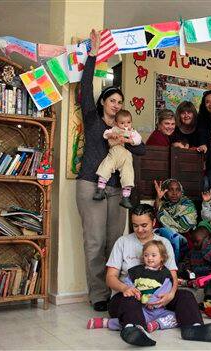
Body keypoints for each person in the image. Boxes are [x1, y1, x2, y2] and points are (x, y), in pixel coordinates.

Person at [77, 29, 146, 312]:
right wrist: (92, 55)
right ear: (104, 102)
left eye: (120, 102)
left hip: (118, 190)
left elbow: (140, 150)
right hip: (90, 184)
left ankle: (115, 289)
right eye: (112, 100)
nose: (116, 104)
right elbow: (84, 88)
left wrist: (130, 138)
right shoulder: (93, 120)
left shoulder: (124, 129)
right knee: (94, 242)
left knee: (115, 242)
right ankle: (98, 295)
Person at [105, 204, 211, 346]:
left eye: (144, 225)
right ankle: (135, 330)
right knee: (130, 299)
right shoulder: (122, 242)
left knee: (186, 295)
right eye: (135, 225)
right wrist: (125, 289)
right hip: (128, 299)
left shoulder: (164, 243)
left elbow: (172, 275)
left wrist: (171, 294)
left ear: (153, 222)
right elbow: (110, 277)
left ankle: (193, 328)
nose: (139, 230)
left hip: (158, 299)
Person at [87, 240, 178, 333]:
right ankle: (108, 323)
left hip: (157, 309)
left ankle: (155, 325)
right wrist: (134, 292)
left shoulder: (165, 273)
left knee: (176, 316)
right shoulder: (136, 271)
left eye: (153, 255)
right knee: (133, 317)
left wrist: (153, 301)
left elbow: (165, 290)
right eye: (146, 255)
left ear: (162, 257)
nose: (149, 258)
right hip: (140, 308)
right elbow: (128, 282)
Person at [93, 109, 141, 209]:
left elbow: (138, 140)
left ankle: (126, 197)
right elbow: (105, 134)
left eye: (128, 122)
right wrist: (111, 135)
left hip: (126, 157)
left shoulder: (132, 132)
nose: (125, 125)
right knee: (105, 167)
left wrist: (129, 140)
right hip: (114, 155)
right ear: (116, 123)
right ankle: (100, 190)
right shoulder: (113, 129)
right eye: (122, 123)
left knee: (128, 174)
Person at [154, 179, 197, 262]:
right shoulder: (163, 205)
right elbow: (157, 210)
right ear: (165, 192)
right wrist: (158, 197)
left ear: (181, 192)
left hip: (185, 238)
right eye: (170, 190)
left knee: (173, 236)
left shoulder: (188, 205)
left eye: (177, 190)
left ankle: (174, 267)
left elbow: (186, 225)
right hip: (166, 237)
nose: (174, 193)